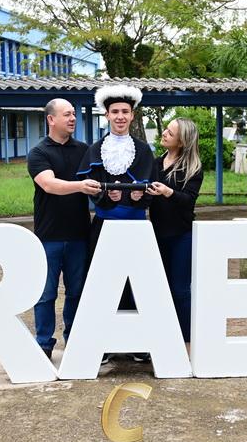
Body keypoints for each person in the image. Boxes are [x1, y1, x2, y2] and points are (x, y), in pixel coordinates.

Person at [77, 85, 158, 364]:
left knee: (138, 284)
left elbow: (151, 187)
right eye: (115, 112)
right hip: (104, 225)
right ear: (107, 115)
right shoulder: (95, 149)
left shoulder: (144, 150)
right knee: (102, 282)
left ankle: (138, 342)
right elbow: (89, 185)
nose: (120, 116)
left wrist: (140, 197)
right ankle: (103, 343)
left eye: (125, 111)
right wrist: (104, 197)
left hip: (137, 226)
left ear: (132, 115)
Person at [27, 99, 101, 360]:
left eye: (73, 114)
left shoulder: (84, 150)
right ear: (51, 119)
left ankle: (75, 339)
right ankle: (44, 344)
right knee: (46, 294)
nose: (72, 118)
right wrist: (80, 186)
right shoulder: (39, 153)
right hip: (49, 236)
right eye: (67, 114)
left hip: (79, 235)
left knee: (77, 292)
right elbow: (49, 184)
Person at [147, 118, 203, 345]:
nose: (164, 134)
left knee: (180, 290)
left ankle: (186, 339)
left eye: (170, 133)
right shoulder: (155, 163)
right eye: (166, 130)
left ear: (181, 141)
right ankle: (163, 338)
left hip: (181, 236)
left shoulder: (193, 169)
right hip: (156, 234)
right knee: (159, 288)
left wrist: (167, 192)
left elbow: (188, 201)